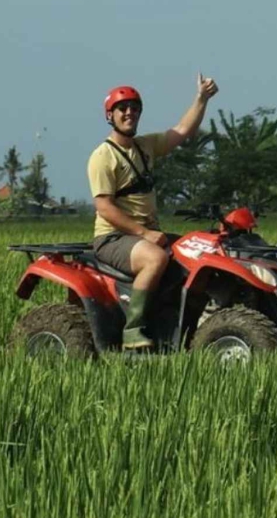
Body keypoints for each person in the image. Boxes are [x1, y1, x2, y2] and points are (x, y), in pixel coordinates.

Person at [87, 74, 219, 348]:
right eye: (122, 108)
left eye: (134, 108)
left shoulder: (145, 146)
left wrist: (202, 99)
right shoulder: (103, 156)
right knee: (155, 259)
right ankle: (132, 329)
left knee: (199, 253)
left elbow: (182, 131)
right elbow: (105, 207)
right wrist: (144, 233)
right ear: (110, 116)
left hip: (145, 233)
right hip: (113, 237)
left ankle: (185, 321)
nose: (129, 113)